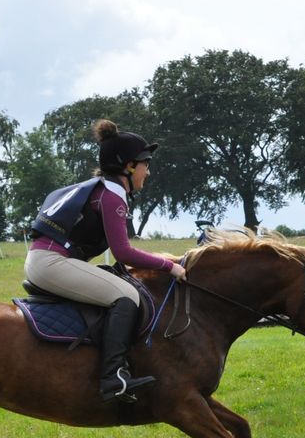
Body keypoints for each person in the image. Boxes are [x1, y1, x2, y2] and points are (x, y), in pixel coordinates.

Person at [25, 119, 187, 403]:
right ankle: (113, 378)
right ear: (128, 166)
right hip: (51, 262)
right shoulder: (112, 197)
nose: (147, 173)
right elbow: (123, 251)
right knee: (127, 296)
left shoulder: (100, 189)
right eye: (145, 165)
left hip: (46, 259)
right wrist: (170, 265)